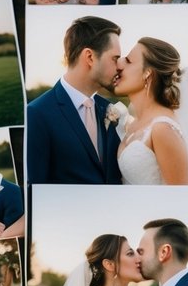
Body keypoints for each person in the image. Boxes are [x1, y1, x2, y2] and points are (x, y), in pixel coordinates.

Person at [26, 16, 123, 184]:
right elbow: (36, 189)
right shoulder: (37, 113)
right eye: (115, 58)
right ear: (90, 57)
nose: (119, 67)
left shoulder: (109, 109)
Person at [113, 38, 188, 186]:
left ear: (147, 74)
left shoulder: (163, 128)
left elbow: (180, 197)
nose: (119, 63)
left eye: (129, 61)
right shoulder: (133, 122)